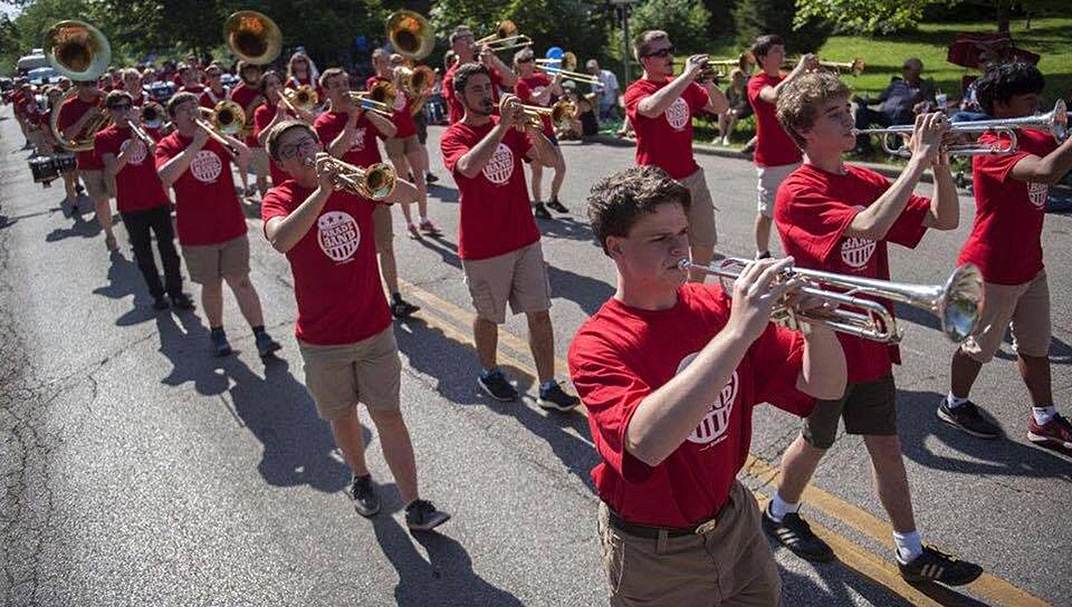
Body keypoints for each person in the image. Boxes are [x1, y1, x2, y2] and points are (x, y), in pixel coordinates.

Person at [569, 165, 847, 607]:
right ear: (616, 248)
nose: (681, 247)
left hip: (733, 520)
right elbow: (647, 444)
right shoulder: (597, 343)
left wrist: (817, 325)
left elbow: (825, 386)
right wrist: (737, 333)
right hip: (655, 554)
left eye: (683, 231)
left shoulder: (714, 304)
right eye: (660, 239)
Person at [768, 70, 984, 586]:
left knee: (886, 444)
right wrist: (913, 160)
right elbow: (865, 226)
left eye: (848, 110)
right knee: (815, 441)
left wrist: (938, 164)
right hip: (826, 346)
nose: (851, 120)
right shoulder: (797, 192)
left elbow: (944, 218)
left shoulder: (861, 179)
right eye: (835, 116)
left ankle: (910, 552)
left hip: (868, 339)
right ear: (805, 132)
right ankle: (778, 512)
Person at [261, 119, 450, 531]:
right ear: (281, 164)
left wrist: (360, 178)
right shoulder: (279, 197)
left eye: (307, 142)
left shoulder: (354, 186)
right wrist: (324, 191)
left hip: (374, 327)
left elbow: (410, 193)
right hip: (323, 337)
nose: (304, 152)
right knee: (343, 416)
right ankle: (361, 477)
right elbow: (281, 239)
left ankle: (415, 503)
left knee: (389, 415)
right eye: (292, 150)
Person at [937, 62, 1072, 448]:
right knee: (978, 348)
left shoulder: (1033, 132)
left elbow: (1057, 156)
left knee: (1036, 346)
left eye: (1038, 99)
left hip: (1030, 264)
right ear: (999, 105)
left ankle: (1043, 419)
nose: (1040, 106)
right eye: (1029, 100)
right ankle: (954, 402)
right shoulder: (992, 145)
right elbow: (1046, 171)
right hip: (991, 267)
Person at [440, 63, 578, 410]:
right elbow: (469, 168)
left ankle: (547, 386)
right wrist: (502, 126)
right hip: (484, 247)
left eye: (488, 87)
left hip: (524, 237)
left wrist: (530, 127)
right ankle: (488, 373)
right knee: (489, 316)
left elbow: (548, 161)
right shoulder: (453, 137)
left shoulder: (512, 130)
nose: (487, 94)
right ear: (460, 96)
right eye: (477, 89)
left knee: (540, 312)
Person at [155, 92, 283, 358]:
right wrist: (194, 147)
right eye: (184, 108)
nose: (192, 110)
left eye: (194, 105)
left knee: (242, 282)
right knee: (212, 287)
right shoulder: (168, 144)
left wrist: (219, 136)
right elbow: (165, 177)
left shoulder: (215, 138)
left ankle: (261, 335)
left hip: (231, 224)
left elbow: (245, 157)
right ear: (173, 117)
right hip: (197, 232)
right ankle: (218, 332)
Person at [314, 67, 422, 320]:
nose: (344, 89)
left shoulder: (364, 115)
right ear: (326, 91)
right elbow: (334, 153)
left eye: (345, 82)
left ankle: (395, 298)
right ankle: (371, 300)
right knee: (362, 254)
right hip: (347, 196)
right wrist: (351, 120)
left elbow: (392, 131)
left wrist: (367, 112)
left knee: (385, 246)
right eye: (337, 85)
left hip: (375, 191)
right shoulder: (323, 122)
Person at [624, 30, 728, 282]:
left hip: (691, 175)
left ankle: (695, 291)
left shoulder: (686, 84)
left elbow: (721, 108)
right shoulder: (636, 90)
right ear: (644, 60)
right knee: (666, 248)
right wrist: (686, 76)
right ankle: (668, 294)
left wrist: (707, 83)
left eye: (670, 49)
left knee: (705, 242)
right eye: (661, 53)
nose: (670, 56)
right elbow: (652, 109)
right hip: (657, 181)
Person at [95, 90, 191, 311]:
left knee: (168, 249)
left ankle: (176, 293)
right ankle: (157, 295)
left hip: (157, 198)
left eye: (127, 107)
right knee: (144, 254)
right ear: (110, 111)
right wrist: (132, 142)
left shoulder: (149, 130)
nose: (123, 112)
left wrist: (143, 133)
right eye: (117, 108)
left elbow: (160, 156)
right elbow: (113, 169)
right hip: (130, 205)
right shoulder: (104, 137)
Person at [746, 34, 813, 261]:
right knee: (767, 211)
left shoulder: (786, 77)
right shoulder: (757, 82)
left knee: (798, 209)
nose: (783, 54)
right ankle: (761, 254)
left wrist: (811, 75)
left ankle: (798, 252)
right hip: (771, 159)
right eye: (776, 51)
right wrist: (801, 69)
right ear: (763, 57)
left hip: (795, 154)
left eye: (782, 49)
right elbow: (774, 95)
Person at [369, 50, 438, 238]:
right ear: (376, 63)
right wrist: (396, 83)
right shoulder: (373, 83)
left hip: (410, 131)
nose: (387, 66)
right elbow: (382, 105)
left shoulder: (401, 79)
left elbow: (413, 101)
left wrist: (419, 89)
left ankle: (424, 219)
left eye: (388, 62)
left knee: (420, 177)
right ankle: (409, 223)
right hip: (393, 137)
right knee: (403, 180)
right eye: (383, 62)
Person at [58, 79, 118, 251]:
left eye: (94, 82)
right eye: (86, 83)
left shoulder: (106, 99)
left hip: (114, 156)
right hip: (88, 160)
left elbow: (122, 119)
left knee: (124, 196)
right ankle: (110, 235)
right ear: (77, 84)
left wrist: (109, 98)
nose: (91, 86)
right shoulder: (68, 106)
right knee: (100, 201)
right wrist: (86, 116)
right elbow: (68, 136)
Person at [513, 47, 569, 218]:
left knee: (561, 167)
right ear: (519, 65)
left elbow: (559, 93)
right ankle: (538, 204)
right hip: (531, 130)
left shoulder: (541, 77)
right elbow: (535, 99)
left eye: (531, 60)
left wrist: (556, 80)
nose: (530, 64)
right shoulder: (520, 83)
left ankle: (553, 198)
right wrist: (551, 84)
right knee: (537, 170)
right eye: (526, 62)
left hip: (548, 129)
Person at [854, 58, 936, 153]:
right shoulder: (896, 84)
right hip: (885, 116)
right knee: (861, 112)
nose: (903, 70)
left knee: (901, 112)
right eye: (903, 68)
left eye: (907, 68)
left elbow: (931, 102)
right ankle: (863, 147)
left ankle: (897, 148)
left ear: (917, 71)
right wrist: (863, 101)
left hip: (906, 118)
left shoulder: (923, 86)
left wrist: (922, 105)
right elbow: (879, 99)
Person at [441, 26, 518, 125]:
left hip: (494, 124)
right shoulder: (451, 76)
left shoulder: (484, 65)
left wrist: (493, 58)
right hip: (468, 129)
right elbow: (467, 102)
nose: (469, 40)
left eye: (470, 36)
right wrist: (485, 67)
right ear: (454, 46)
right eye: (464, 37)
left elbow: (512, 81)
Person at [229, 61, 266, 197]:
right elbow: (238, 122)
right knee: (261, 175)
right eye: (247, 71)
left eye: (254, 70)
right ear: (243, 74)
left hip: (273, 133)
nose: (251, 73)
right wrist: (253, 105)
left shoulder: (266, 86)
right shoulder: (237, 93)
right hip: (253, 137)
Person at [717, 68, 752, 146]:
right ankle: (721, 136)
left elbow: (743, 104)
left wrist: (733, 109)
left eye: (733, 78)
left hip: (744, 109)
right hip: (731, 109)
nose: (731, 80)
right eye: (732, 77)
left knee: (734, 113)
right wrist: (729, 109)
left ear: (739, 79)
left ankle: (727, 137)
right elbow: (726, 102)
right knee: (721, 113)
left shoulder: (745, 89)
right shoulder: (730, 89)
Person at [586, 58, 620, 123]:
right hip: (600, 106)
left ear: (597, 66)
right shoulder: (593, 79)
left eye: (593, 68)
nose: (592, 70)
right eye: (590, 69)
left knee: (615, 122)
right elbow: (594, 93)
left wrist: (616, 103)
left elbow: (616, 89)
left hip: (611, 104)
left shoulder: (609, 75)